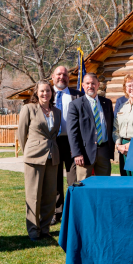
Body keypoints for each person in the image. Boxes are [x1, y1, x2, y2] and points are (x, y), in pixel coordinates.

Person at [17, 80, 61, 241]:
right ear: (36, 93)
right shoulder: (28, 109)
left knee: (50, 196)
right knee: (33, 195)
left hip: (52, 157)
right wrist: (28, 151)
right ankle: (33, 230)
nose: (45, 94)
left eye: (48, 91)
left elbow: (54, 134)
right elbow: (21, 134)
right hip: (34, 157)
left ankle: (45, 228)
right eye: (42, 91)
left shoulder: (57, 112)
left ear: (52, 93)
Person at [51, 66, 82, 225]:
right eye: (59, 74)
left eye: (65, 74)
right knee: (55, 180)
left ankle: (72, 214)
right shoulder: (47, 94)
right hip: (54, 142)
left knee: (73, 180)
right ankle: (56, 213)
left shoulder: (78, 95)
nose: (62, 77)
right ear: (53, 77)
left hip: (72, 143)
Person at [67, 73, 114, 180]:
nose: (90, 86)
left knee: (105, 185)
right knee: (84, 186)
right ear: (83, 85)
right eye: (87, 83)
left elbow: (110, 126)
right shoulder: (76, 105)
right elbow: (72, 131)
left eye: (93, 83)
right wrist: (77, 153)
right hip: (84, 153)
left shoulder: (107, 103)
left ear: (98, 85)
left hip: (104, 152)